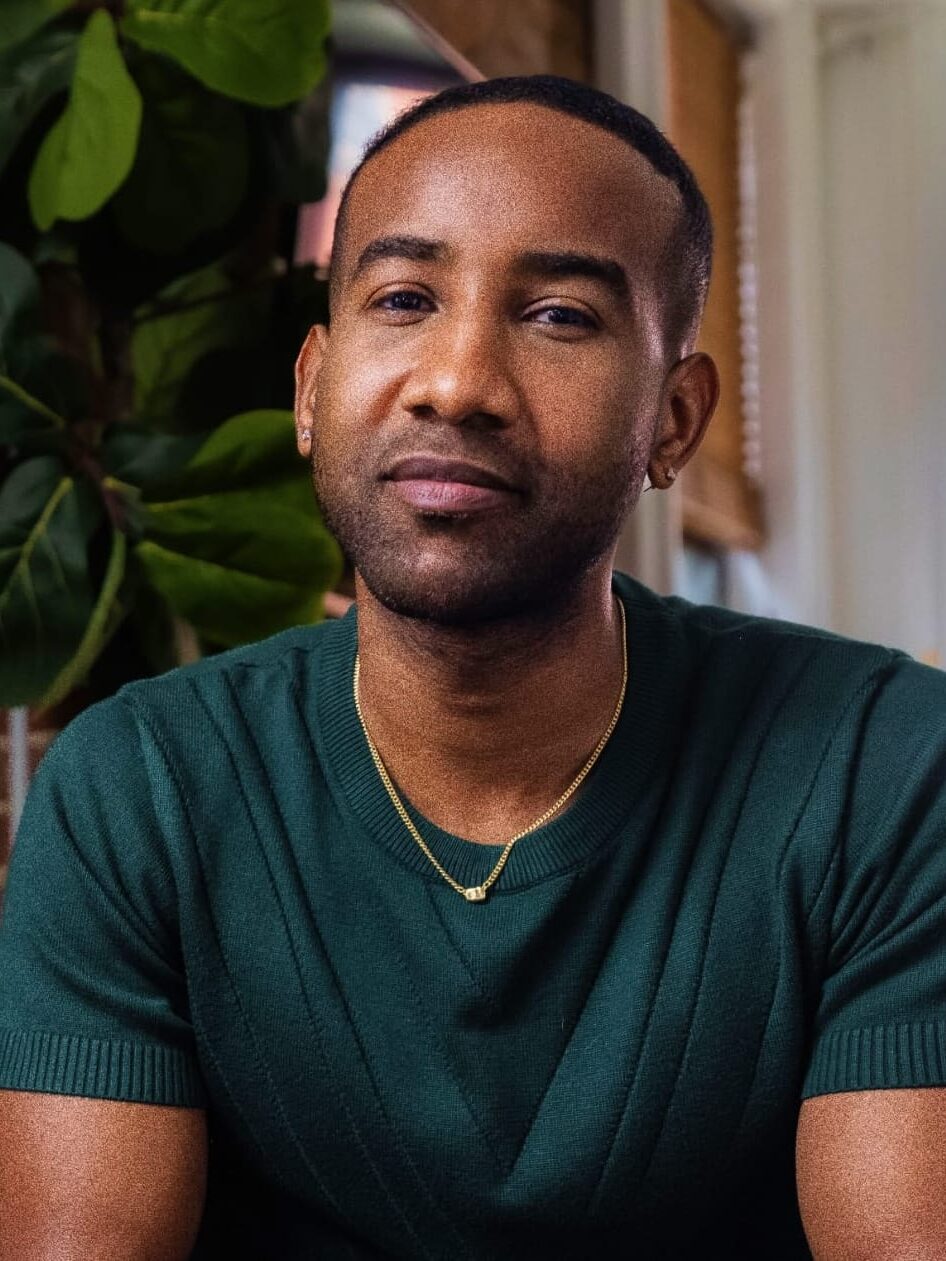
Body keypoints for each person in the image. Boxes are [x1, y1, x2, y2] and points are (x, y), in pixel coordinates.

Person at [1, 74, 945, 1260]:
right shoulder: (139, 788)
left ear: (673, 419)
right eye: (403, 298)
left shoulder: (886, 768)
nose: (455, 383)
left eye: (559, 316)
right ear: (310, 388)